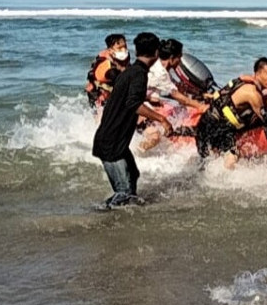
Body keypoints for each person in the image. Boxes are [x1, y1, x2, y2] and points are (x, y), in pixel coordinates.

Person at [92, 32, 173, 211]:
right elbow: (134, 104)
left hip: (114, 141)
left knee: (133, 176)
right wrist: (162, 119)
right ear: (157, 53)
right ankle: (103, 223)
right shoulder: (138, 75)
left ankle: (120, 222)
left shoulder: (131, 72)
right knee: (124, 193)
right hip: (111, 144)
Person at [196, 57, 267, 169]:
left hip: (206, 122)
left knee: (206, 162)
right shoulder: (253, 94)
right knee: (232, 158)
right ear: (258, 73)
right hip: (218, 127)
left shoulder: (243, 81)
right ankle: (227, 182)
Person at [140, 38, 208, 150]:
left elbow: (178, 87)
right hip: (141, 110)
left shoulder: (159, 65)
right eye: (179, 57)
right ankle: (139, 157)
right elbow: (179, 97)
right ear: (172, 58)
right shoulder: (160, 73)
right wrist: (201, 106)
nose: (180, 61)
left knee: (179, 111)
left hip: (148, 104)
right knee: (155, 137)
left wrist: (202, 95)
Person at [85, 33, 131, 109]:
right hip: (97, 92)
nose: (123, 50)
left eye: (125, 46)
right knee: (100, 113)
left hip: (110, 88)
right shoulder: (108, 67)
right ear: (110, 50)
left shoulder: (123, 57)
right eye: (119, 48)